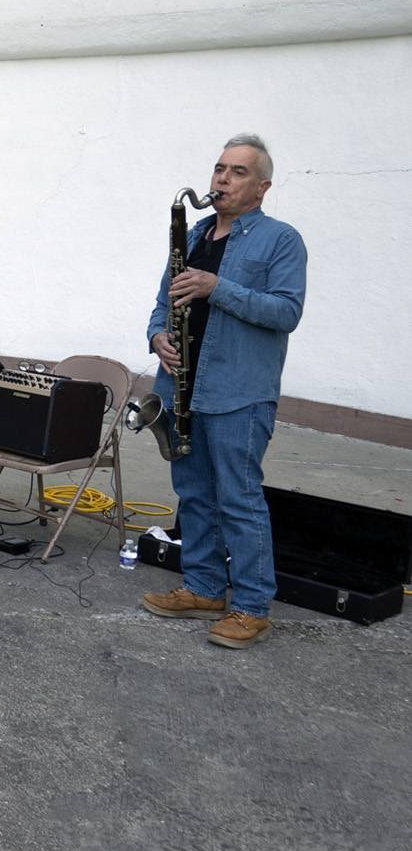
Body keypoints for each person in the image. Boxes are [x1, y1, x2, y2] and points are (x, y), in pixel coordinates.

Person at [141, 134, 307, 648]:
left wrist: (218, 288)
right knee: (193, 494)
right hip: (181, 388)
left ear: (262, 187)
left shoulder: (281, 240)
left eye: (238, 172)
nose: (222, 179)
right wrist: (157, 336)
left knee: (239, 499)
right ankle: (204, 587)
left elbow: (287, 311)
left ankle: (252, 607)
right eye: (219, 168)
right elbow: (161, 303)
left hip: (239, 392)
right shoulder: (193, 234)